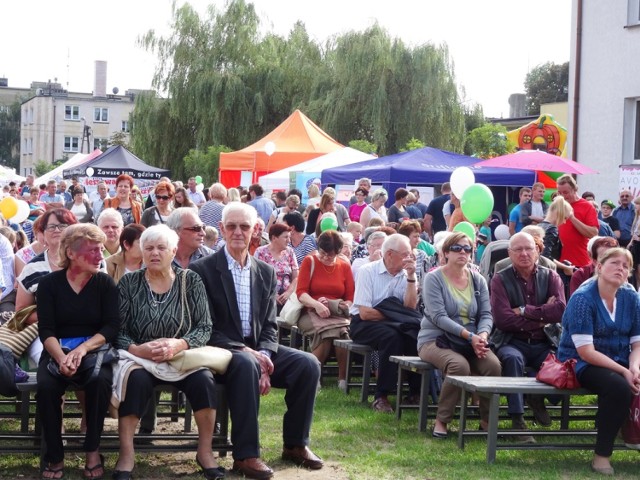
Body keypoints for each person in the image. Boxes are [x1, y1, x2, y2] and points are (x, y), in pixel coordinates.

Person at [191, 202, 324, 479]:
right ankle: (246, 455)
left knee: (308, 364)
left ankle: (296, 444)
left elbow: (269, 324)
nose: (238, 232)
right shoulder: (202, 270)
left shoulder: (265, 271)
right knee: (245, 364)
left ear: (255, 231)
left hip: (257, 349)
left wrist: (263, 354)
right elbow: (203, 326)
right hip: (222, 350)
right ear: (222, 230)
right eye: (232, 226)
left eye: (244, 226)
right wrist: (246, 352)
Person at [113, 224, 221, 480]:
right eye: (148, 248)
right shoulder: (129, 283)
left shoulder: (190, 280)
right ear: (141, 251)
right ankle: (126, 454)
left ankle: (205, 452)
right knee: (135, 381)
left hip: (181, 356)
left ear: (173, 251)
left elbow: (204, 327)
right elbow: (116, 329)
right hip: (139, 357)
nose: (154, 253)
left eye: (161, 247)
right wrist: (137, 348)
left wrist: (179, 344)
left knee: (204, 381)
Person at [36, 224, 119, 480]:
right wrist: (62, 357)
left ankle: (93, 451)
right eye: (93, 250)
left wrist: (83, 349)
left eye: (101, 250)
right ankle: (54, 455)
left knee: (98, 381)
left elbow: (112, 326)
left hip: (94, 349)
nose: (100, 256)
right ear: (71, 253)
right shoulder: (49, 284)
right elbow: (46, 329)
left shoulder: (104, 283)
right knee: (47, 386)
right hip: (56, 349)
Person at [557, 247, 640, 475]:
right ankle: (601, 455)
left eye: (625, 266)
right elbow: (586, 352)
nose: (620, 268)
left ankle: (634, 434)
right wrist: (624, 372)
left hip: (622, 358)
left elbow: (637, 344)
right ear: (599, 267)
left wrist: (634, 367)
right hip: (580, 363)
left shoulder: (632, 297)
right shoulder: (583, 298)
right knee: (618, 387)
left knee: (630, 379)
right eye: (615, 263)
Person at [418, 232, 502, 437]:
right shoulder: (433, 278)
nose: (462, 252)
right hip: (435, 339)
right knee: (459, 366)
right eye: (456, 248)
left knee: (493, 365)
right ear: (445, 252)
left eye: (467, 248)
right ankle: (442, 420)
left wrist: (482, 335)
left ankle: (486, 420)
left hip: (471, 340)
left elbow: (486, 314)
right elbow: (438, 317)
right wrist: (469, 336)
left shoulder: (478, 279)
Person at [490, 232, 566, 440]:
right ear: (510, 253)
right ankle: (518, 421)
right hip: (511, 340)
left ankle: (538, 397)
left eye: (529, 248)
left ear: (537, 250)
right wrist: (542, 315)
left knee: (562, 362)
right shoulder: (499, 279)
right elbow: (502, 319)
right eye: (518, 250)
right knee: (512, 359)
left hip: (544, 340)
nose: (524, 254)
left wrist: (523, 310)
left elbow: (560, 310)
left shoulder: (551, 276)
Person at [349, 234, 422, 413]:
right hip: (363, 324)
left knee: (414, 334)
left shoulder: (407, 275)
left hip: (394, 323)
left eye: (411, 254)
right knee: (392, 337)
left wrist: (412, 278)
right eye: (406, 254)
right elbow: (365, 313)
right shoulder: (368, 271)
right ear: (389, 254)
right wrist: (395, 313)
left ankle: (416, 391)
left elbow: (410, 308)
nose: (409, 259)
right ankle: (381, 396)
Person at [16, 209, 79, 364]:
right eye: (51, 227)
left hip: (84, 330)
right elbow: (21, 312)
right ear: (43, 233)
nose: (56, 230)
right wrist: (54, 317)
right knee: (52, 366)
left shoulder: (90, 262)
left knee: (90, 370)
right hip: (44, 332)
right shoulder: (32, 269)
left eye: (62, 225)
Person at [296, 231, 354, 391]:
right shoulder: (310, 261)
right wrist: (317, 304)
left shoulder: (344, 265)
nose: (326, 258)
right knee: (326, 334)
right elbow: (301, 292)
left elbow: (350, 297)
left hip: (336, 313)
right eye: (323, 253)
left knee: (343, 332)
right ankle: (313, 375)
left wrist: (337, 304)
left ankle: (342, 379)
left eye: (330, 255)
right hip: (310, 311)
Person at [254, 223, 299, 315]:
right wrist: (272, 295)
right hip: (266, 296)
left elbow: (296, 277)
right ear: (274, 238)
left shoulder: (289, 252)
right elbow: (256, 277)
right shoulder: (261, 252)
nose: (288, 241)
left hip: (286, 297)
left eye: (289, 237)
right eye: (285, 237)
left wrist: (288, 292)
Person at [556, 174, 599, 268]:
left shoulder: (587, 206)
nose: (562, 196)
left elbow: (593, 233)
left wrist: (572, 218)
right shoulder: (558, 205)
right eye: (559, 193)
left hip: (580, 263)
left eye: (565, 192)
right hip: (560, 263)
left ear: (575, 190)